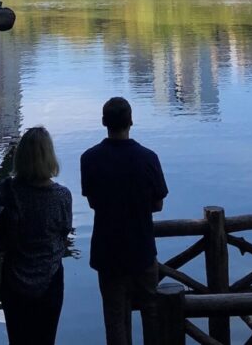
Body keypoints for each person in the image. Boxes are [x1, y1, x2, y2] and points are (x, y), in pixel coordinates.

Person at [81, 97, 168, 345]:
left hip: (107, 251)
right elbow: (158, 204)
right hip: (142, 248)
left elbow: (93, 202)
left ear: (103, 122)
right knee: (152, 314)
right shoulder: (148, 158)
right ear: (131, 121)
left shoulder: (89, 159)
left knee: (115, 318)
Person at [0, 127, 72, 345]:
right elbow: (64, 230)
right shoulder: (61, 196)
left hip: (14, 278)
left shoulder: (5, 191)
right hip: (50, 278)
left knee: (18, 339)